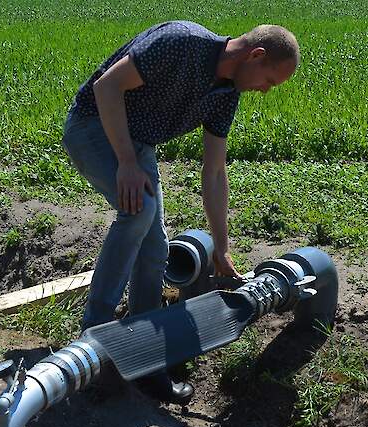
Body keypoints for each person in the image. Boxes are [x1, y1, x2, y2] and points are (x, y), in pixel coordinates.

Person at [61, 21, 299, 403]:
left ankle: (141, 356)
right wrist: (125, 162)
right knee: (139, 214)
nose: (265, 91)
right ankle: (95, 332)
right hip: (93, 127)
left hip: (138, 145)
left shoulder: (225, 96)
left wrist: (221, 245)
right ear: (255, 55)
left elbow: (215, 171)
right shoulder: (181, 44)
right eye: (269, 80)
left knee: (155, 248)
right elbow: (107, 87)